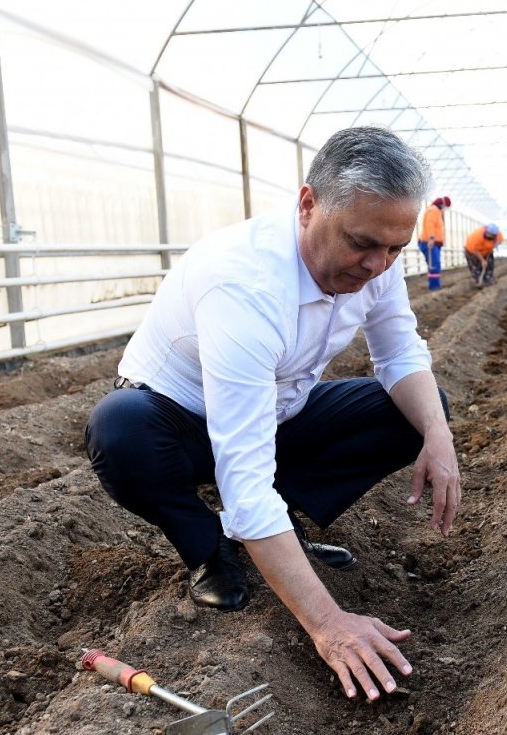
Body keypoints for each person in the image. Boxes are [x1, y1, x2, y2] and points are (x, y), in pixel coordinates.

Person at [84, 126, 461, 703]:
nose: (378, 264)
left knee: (418, 411)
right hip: (180, 421)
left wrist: (438, 434)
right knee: (121, 429)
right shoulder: (245, 286)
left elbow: (400, 351)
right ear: (308, 205)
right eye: (363, 243)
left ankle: (288, 532)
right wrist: (329, 626)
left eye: (395, 249)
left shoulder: (376, 261)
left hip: (281, 407)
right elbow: (243, 475)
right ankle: (210, 549)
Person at [417, 196, 449, 290]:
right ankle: (434, 287)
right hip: (430, 243)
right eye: (446, 207)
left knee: (434, 265)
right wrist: (431, 238)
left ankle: (435, 285)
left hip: (434, 243)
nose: (446, 209)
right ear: (443, 204)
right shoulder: (433, 210)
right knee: (435, 265)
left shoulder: (437, 212)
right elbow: (429, 224)